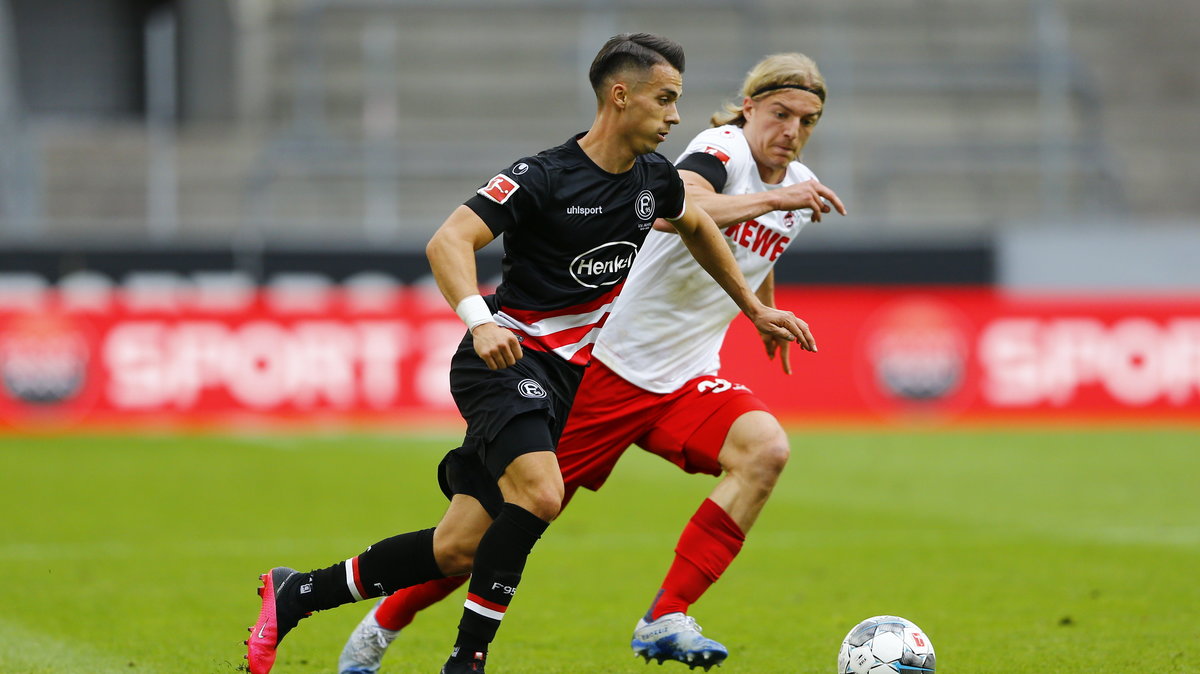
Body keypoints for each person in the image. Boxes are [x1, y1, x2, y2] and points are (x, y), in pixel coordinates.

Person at [245, 35, 813, 674]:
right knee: (541, 496)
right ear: (620, 96)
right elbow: (448, 241)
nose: (676, 116)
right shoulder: (542, 175)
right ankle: (467, 660)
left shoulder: (655, 180)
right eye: (666, 99)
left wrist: (754, 307)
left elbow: (701, 225)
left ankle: (298, 593)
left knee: (459, 547)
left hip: (570, 376)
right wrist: (479, 320)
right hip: (505, 358)